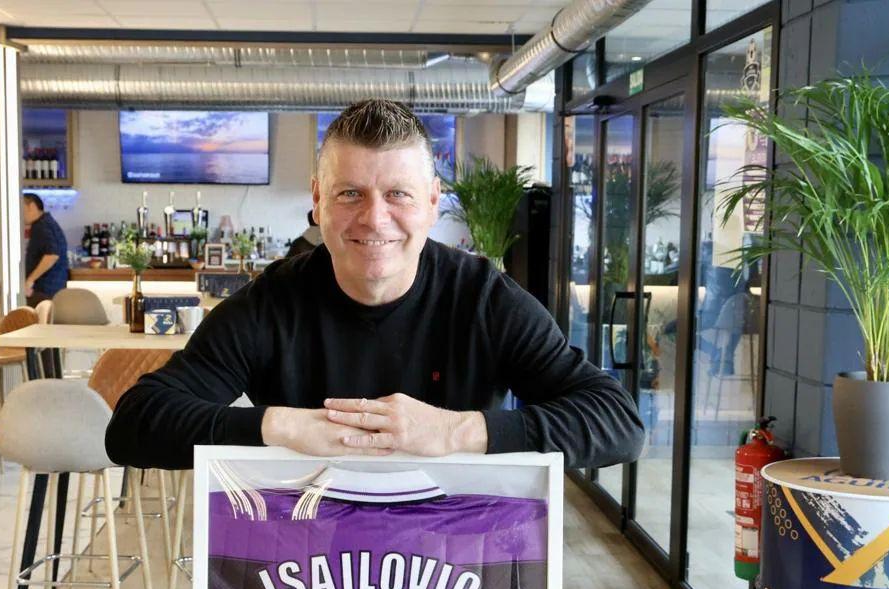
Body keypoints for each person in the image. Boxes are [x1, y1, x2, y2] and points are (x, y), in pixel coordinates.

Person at [106, 99, 644, 470]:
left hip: (456, 550)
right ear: (317, 200)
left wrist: (454, 432)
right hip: (304, 555)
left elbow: (618, 421)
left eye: (399, 195)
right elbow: (135, 424)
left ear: (433, 203)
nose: (375, 219)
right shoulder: (272, 303)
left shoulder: (484, 299)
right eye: (350, 194)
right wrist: (280, 427)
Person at [22, 193, 69, 306]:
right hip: (50, 289)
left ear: (31, 206)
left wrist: (30, 281)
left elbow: (52, 255)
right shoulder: (46, 223)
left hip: (44, 290)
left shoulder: (42, 226)